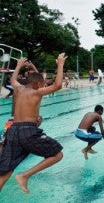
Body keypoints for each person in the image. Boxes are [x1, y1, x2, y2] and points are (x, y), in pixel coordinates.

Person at [0, 53, 67, 194]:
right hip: (28, 131)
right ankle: (25, 175)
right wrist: (60, 64)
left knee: (6, 170)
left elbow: (13, 79)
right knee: (57, 154)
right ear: (38, 85)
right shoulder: (37, 92)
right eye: (42, 84)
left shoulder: (19, 89)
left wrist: (18, 65)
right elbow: (58, 85)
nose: (44, 85)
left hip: (13, 131)